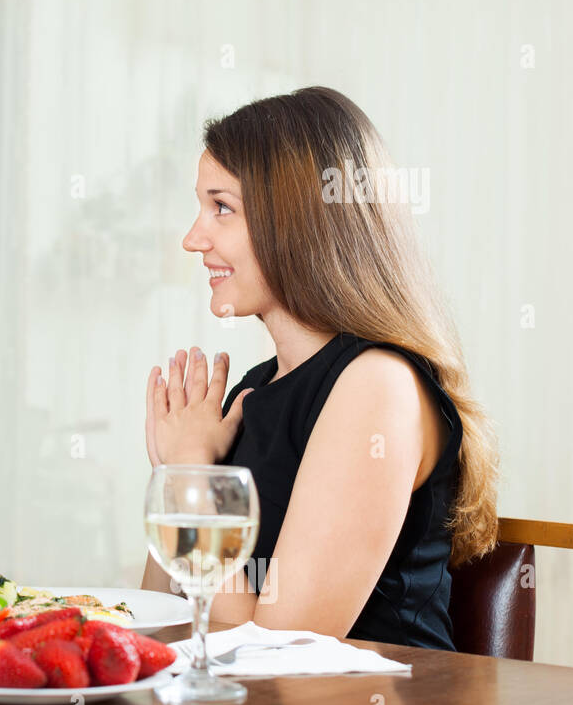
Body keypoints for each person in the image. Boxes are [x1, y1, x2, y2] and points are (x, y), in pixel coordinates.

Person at [142, 86, 499, 650]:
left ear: (298, 220)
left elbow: (276, 653)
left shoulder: (377, 385)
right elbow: (163, 620)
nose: (193, 238)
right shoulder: (249, 392)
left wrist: (190, 468)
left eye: (222, 208)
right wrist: (179, 480)